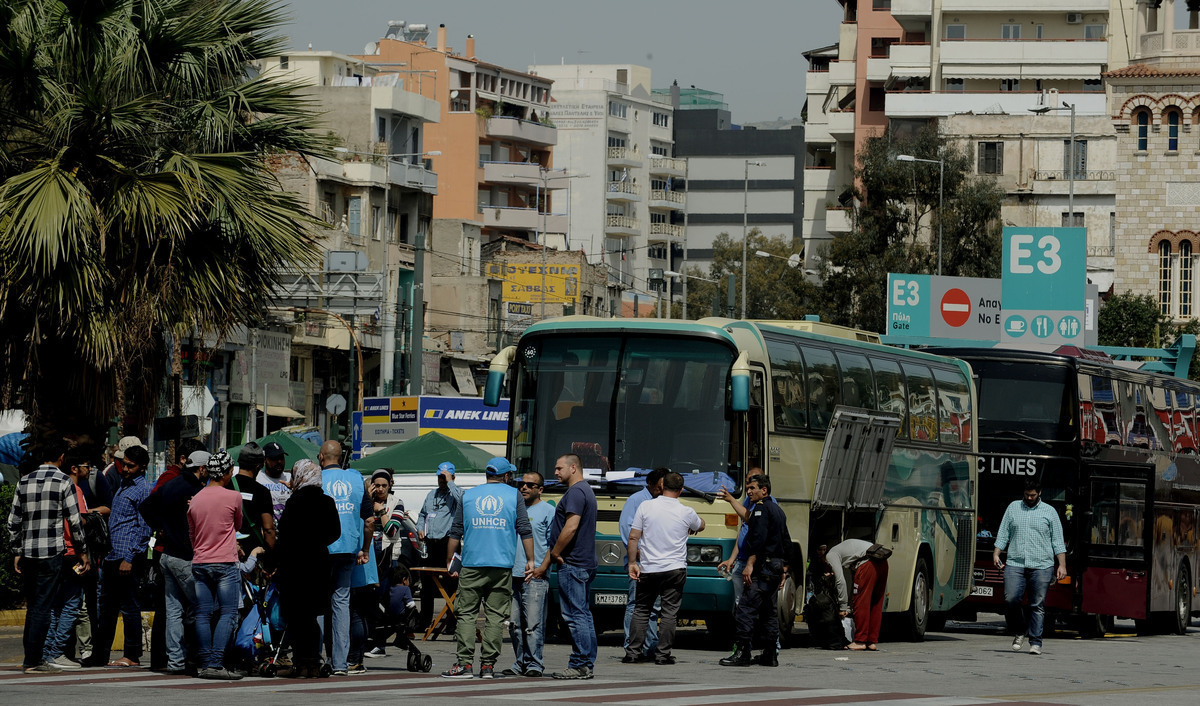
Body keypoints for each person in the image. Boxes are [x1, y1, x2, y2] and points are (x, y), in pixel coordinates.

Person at [441, 457, 534, 679]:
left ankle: (464, 665)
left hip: (472, 565)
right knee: (495, 617)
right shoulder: (514, 495)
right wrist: (531, 559)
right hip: (502, 567)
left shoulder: (468, 495)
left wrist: (450, 561)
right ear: (506, 476)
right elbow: (524, 529)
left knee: (466, 615)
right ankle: (488, 667)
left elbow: (456, 531)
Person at [6, 439, 89, 674]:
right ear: (61, 458)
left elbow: (13, 522)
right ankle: (34, 660)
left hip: (30, 552)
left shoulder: (24, 481)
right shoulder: (64, 481)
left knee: (34, 606)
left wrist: (17, 551)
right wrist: (82, 552)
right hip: (52, 552)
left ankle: (30, 658)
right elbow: (74, 522)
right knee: (44, 606)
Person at [139, 449, 209, 675]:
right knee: (201, 607)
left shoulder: (170, 484)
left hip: (167, 555)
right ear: (201, 469)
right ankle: (196, 657)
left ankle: (175, 662)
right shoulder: (197, 490)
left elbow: (145, 507)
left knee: (173, 611)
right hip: (185, 556)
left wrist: (161, 527)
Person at [625, 471, 704, 666]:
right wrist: (693, 526)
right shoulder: (686, 511)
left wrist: (632, 563)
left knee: (641, 610)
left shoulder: (645, 506)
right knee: (669, 613)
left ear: (662, 486)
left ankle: (633, 652)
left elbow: (634, 537)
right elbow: (700, 525)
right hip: (674, 570)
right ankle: (662, 655)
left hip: (649, 568)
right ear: (681, 490)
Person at [532, 453, 598, 680]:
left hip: (573, 563)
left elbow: (570, 527)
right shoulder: (584, 491)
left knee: (574, 615)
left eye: (559, 468)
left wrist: (556, 552)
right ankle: (586, 663)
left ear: (573, 468)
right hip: (583, 562)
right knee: (583, 614)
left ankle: (580, 664)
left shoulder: (576, 492)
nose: (555, 472)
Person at [89, 443, 152, 668]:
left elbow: (144, 528)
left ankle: (132, 655)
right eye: (124, 465)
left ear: (142, 467)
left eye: (131, 466)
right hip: (112, 556)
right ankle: (100, 655)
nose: (125, 469)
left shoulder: (143, 489)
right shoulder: (123, 486)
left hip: (127, 557)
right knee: (106, 608)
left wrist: (131, 557)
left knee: (130, 607)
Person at [275, 460, 340, 678]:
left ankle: (302, 662)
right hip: (319, 564)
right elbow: (335, 532)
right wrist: (318, 541)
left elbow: (283, 535)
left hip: (295, 566)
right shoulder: (328, 502)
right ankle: (313, 662)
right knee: (312, 616)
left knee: (297, 617)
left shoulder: (295, 501)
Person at [720, 473, 790, 668]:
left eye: (752, 488)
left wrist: (750, 564)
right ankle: (770, 655)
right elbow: (786, 541)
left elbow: (757, 540)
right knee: (769, 611)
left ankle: (742, 653)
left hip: (763, 566)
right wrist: (784, 568)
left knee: (745, 609)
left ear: (764, 490)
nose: (749, 492)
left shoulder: (761, 510)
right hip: (775, 566)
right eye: (748, 488)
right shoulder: (778, 510)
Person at [993, 478, 1067, 656]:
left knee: (1037, 604)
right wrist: (996, 553)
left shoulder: (1049, 512)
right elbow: (1004, 533)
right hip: (1015, 563)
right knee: (1011, 599)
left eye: (1033, 495)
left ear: (1039, 493)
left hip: (1042, 565)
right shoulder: (1013, 508)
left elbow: (1057, 540)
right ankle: (1019, 631)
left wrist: (1062, 565)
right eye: (1027, 495)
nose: (1030, 498)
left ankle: (1036, 641)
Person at [188, 451, 244, 680]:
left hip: (200, 561)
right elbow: (238, 524)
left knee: (202, 613)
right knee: (228, 613)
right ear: (228, 472)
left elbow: (192, 533)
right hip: (225, 561)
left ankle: (204, 662)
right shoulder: (233, 497)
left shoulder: (196, 498)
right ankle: (216, 663)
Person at [318, 439, 372, 676]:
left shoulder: (317, 479)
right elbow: (369, 520)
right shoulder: (356, 479)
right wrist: (366, 548)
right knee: (341, 604)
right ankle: (340, 663)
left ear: (321, 457)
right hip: (349, 549)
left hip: (322, 550)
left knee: (319, 604)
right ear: (340, 458)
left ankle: (316, 658)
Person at [42, 448, 95, 670]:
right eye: (86, 465)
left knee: (55, 605)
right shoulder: (75, 490)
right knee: (72, 603)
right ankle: (56, 652)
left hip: (53, 551)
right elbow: (78, 524)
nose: (89, 469)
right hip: (72, 552)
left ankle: (47, 651)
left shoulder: (51, 486)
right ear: (73, 467)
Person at [504, 470, 555, 677]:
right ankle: (520, 662)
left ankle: (535, 664)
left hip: (535, 577)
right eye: (521, 484)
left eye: (529, 485)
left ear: (540, 490)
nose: (523, 487)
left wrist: (542, 568)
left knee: (533, 625)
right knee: (514, 625)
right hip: (511, 575)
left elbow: (554, 545)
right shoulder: (514, 509)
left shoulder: (548, 511)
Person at [619, 467, 667, 661]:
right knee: (636, 605)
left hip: (657, 563)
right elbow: (626, 529)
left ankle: (650, 646)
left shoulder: (663, 501)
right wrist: (638, 552)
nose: (663, 489)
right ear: (651, 484)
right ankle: (632, 646)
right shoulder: (637, 500)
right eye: (661, 486)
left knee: (654, 608)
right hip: (640, 562)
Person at [416, 460, 463, 630]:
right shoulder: (431, 495)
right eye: (439, 477)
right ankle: (424, 621)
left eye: (444, 477)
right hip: (431, 543)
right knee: (426, 585)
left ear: (452, 477)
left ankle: (452, 622)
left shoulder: (456, 494)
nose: (441, 480)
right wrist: (420, 528)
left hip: (448, 543)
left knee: (452, 583)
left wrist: (451, 483)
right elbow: (422, 514)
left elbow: (463, 502)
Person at [826, 539, 892, 651]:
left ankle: (860, 641)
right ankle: (871, 641)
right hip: (883, 562)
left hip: (868, 564)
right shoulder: (846, 549)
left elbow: (840, 581)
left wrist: (843, 607)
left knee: (861, 603)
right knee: (876, 603)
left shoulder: (831, 555)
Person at [233, 443, 276, 551]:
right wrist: (271, 558)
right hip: (254, 552)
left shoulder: (225, 485)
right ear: (258, 466)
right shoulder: (262, 492)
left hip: (228, 551)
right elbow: (268, 529)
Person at [257, 441, 292, 523]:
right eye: (274, 458)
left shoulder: (291, 478)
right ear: (265, 460)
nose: (279, 461)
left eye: (281, 458)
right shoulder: (257, 478)